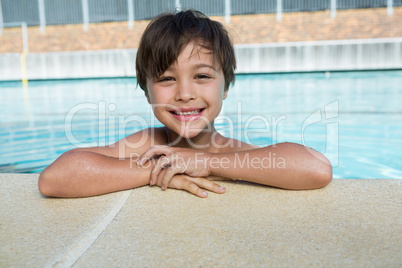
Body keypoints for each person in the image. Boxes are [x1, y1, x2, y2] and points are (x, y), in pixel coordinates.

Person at [38, 10, 332, 198]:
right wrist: (159, 170)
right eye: (167, 79)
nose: (185, 93)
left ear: (226, 87)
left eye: (202, 75)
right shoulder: (146, 145)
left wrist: (205, 162)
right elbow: (54, 178)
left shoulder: (232, 152)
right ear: (146, 93)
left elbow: (316, 167)